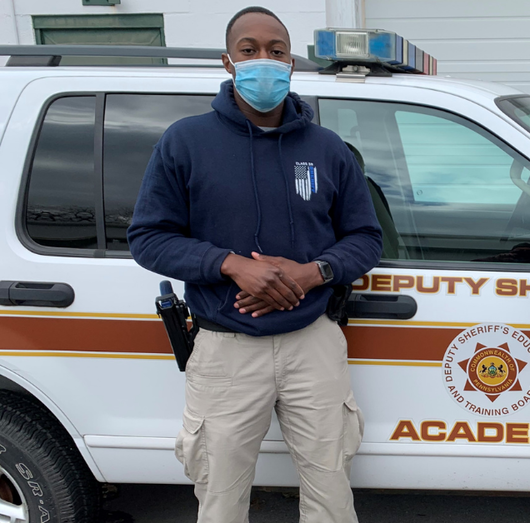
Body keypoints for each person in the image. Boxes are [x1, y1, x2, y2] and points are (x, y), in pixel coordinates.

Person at [128, 6, 382, 522]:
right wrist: (230, 265)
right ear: (228, 61)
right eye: (249, 51)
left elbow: (365, 238)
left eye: (276, 51)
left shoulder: (328, 148)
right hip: (225, 348)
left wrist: (312, 273)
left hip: (312, 341)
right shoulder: (186, 142)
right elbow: (148, 238)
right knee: (220, 498)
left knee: (331, 494)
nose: (263, 60)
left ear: (291, 64)